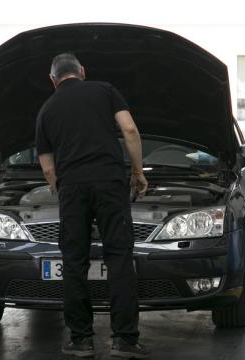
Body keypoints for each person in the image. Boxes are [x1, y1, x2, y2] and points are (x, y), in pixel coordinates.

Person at [35, 53, 150, 358]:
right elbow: (129, 130)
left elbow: (47, 168)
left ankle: (81, 340)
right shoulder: (105, 90)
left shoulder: (46, 110)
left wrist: (66, 187)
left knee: (74, 262)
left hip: (72, 188)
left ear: (53, 80)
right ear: (82, 72)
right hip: (111, 184)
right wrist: (137, 172)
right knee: (119, 258)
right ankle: (124, 341)